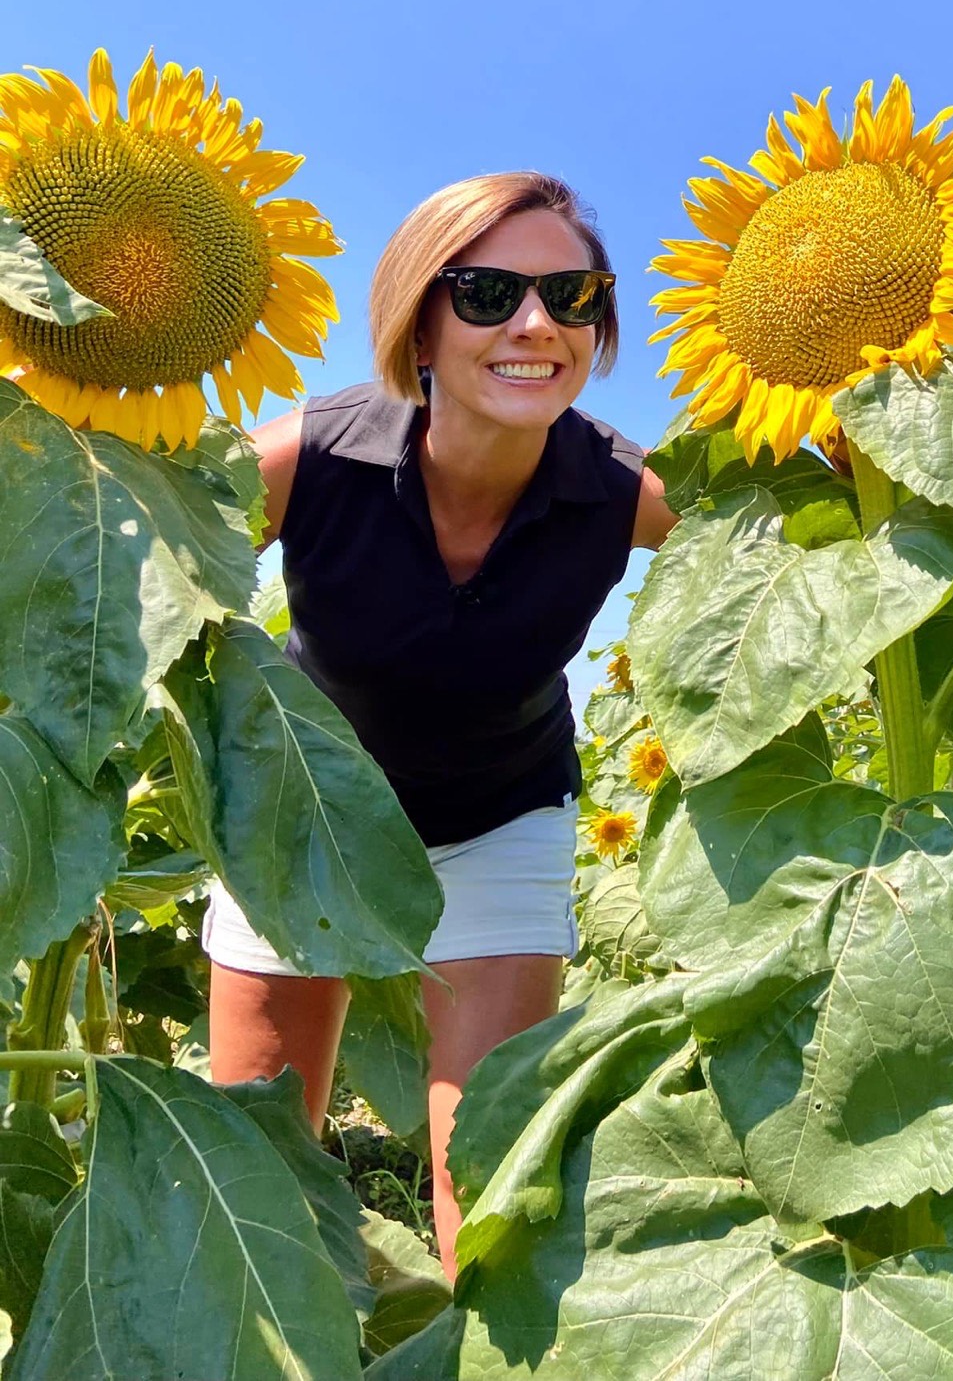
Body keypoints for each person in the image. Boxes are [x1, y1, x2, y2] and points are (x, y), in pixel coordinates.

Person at [203, 171, 676, 1279]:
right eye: (484, 292)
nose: (534, 325)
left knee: (492, 1180)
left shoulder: (618, 490)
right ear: (417, 317)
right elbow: (164, 554)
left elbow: (772, 537)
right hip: (301, 819)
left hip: (496, 816)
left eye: (570, 295)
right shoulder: (309, 458)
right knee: (256, 1158)